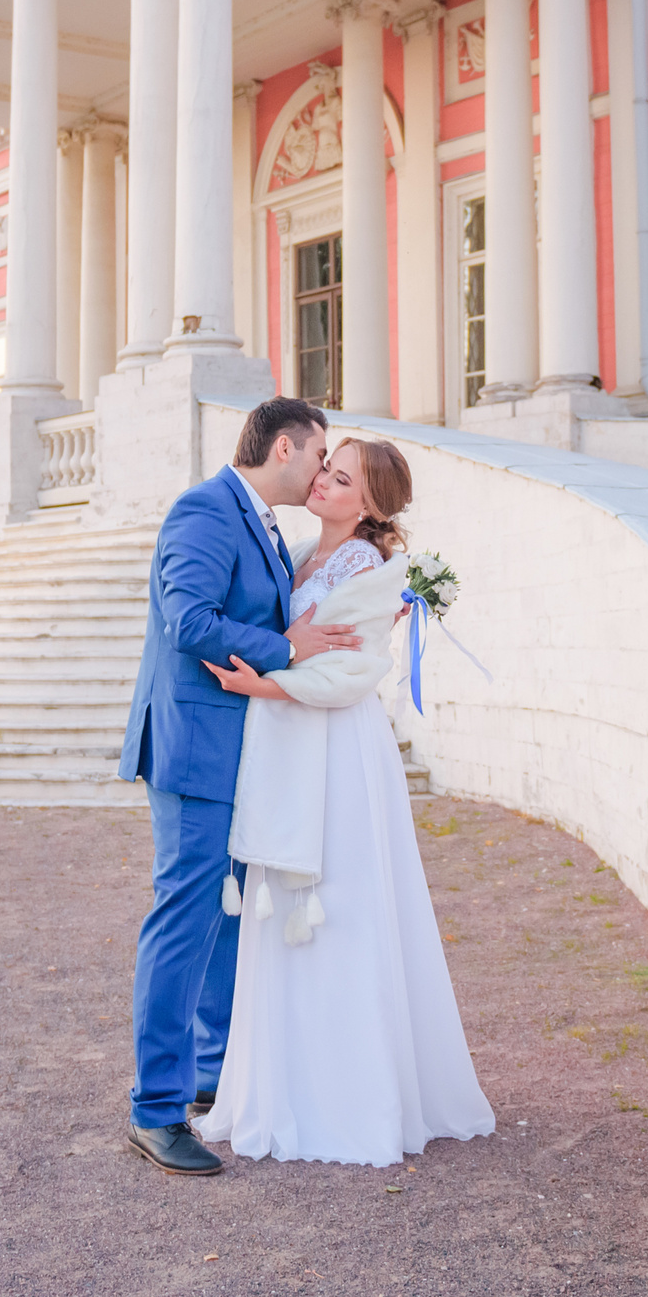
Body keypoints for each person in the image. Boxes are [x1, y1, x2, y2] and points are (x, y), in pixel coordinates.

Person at [195, 437, 495, 1166]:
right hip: (291, 749)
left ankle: (350, 1098)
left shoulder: (365, 567)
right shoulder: (299, 555)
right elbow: (291, 638)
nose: (324, 480)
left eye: (342, 476)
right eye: (326, 468)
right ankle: (289, 1086)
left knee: (342, 904)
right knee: (286, 908)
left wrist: (259, 683)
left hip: (337, 753)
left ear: (369, 504)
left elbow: (356, 670)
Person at [119, 397, 360, 1176]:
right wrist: (283, 645)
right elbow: (186, 618)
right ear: (284, 447)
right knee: (186, 915)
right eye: (318, 456)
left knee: (224, 918)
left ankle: (209, 1074)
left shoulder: (264, 523)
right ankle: (155, 1111)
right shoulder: (205, 508)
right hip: (194, 750)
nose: (323, 471)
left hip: (235, 752)